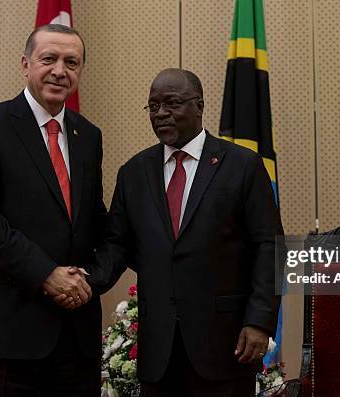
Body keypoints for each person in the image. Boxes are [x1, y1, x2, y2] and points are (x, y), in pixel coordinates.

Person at [91, 68, 285, 396]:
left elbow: (269, 246)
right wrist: (83, 283)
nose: (161, 114)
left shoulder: (242, 166)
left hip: (225, 344)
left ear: (199, 106)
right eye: (153, 106)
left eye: (173, 103)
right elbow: (116, 245)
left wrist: (260, 320)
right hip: (158, 351)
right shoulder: (133, 173)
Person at [0, 24, 107, 396]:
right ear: (25, 64)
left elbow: (92, 221)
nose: (60, 70)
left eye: (71, 62)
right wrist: (46, 274)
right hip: (6, 338)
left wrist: (91, 278)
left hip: (76, 340)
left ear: (80, 72)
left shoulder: (88, 136)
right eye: (49, 59)